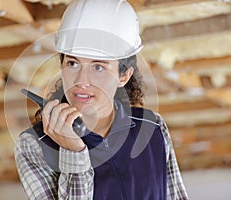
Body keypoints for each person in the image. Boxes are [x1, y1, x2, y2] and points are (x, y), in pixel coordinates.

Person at [14, 0, 188, 199]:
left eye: (98, 67)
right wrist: (73, 151)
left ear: (124, 75)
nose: (81, 81)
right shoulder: (34, 145)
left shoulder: (153, 126)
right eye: (72, 63)